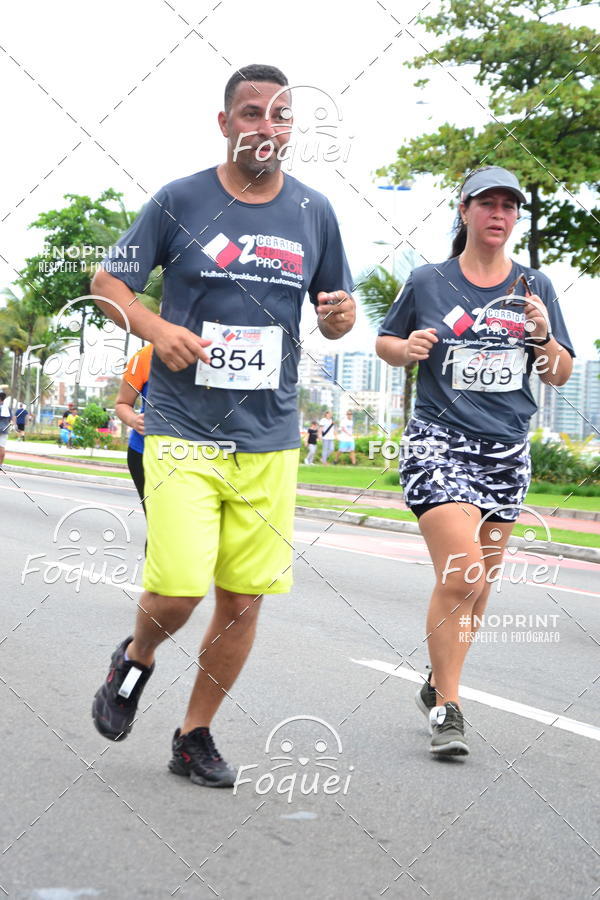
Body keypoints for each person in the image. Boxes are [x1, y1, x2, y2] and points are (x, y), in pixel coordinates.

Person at [90, 64, 356, 787]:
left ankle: (193, 736)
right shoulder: (181, 200)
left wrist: (339, 317)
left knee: (240, 602)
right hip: (183, 431)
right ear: (225, 123)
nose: (266, 127)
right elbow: (108, 285)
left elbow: (338, 314)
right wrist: (155, 328)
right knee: (179, 591)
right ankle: (134, 660)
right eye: (251, 113)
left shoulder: (314, 212)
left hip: (269, 440)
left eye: (280, 115)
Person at [376, 165, 574, 758]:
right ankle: (448, 708)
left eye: (509, 206)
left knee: (480, 585)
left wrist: (543, 337)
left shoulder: (535, 286)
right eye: (487, 203)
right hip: (439, 443)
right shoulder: (428, 281)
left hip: (506, 453)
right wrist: (406, 348)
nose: (499, 215)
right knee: (464, 574)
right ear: (464, 211)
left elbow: (558, 373)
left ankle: (437, 681)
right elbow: (385, 341)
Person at [115, 343, 153, 509]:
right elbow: (122, 403)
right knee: (158, 519)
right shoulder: (144, 357)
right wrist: (134, 420)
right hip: (144, 454)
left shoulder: (213, 353)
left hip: (198, 455)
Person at [0, 392, 12, 465]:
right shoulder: (8, 408)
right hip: (5, 430)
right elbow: (10, 419)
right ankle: (1, 464)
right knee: (2, 447)